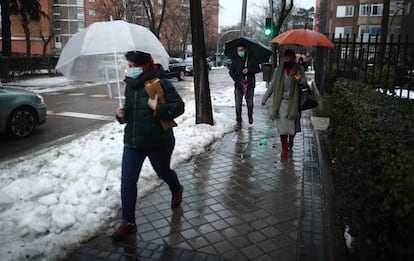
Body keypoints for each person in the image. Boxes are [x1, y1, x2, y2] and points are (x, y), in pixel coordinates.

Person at [112, 51, 185, 241]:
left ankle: (176, 188)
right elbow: (129, 116)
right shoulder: (129, 86)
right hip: (133, 142)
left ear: (144, 66)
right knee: (127, 181)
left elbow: (179, 106)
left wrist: (158, 108)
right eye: (129, 65)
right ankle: (128, 221)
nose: (130, 69)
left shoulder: (160, 82)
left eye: (133, 66)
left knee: (162, 171)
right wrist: (120, 115)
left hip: (158, 141)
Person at [261, 49, 306, 159]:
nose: (288, 60)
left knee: (292, 128)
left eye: (290, 59)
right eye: (286, 58)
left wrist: (299, 80)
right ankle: (284, 149)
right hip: (281, 103)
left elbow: (305, 85)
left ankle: (291, 140)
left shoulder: (299, 69)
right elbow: (272, 85)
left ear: (293, 59)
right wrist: (264, 98)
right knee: (282, 128)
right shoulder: (278, 70)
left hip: (294, 103)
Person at [229, 43, 261, 130]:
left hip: (249, 85)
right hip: (239, 85)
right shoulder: (235, 59)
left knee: (250, 103)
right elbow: (231, 72)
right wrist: (237, 79)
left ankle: (250, 115)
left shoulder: (251, 58)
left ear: (245, 50)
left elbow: (258, 69)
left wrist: (249, 70)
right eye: (238, 50)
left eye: (241, 50)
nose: (240, 52)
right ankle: (238, 121)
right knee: (238, 104)